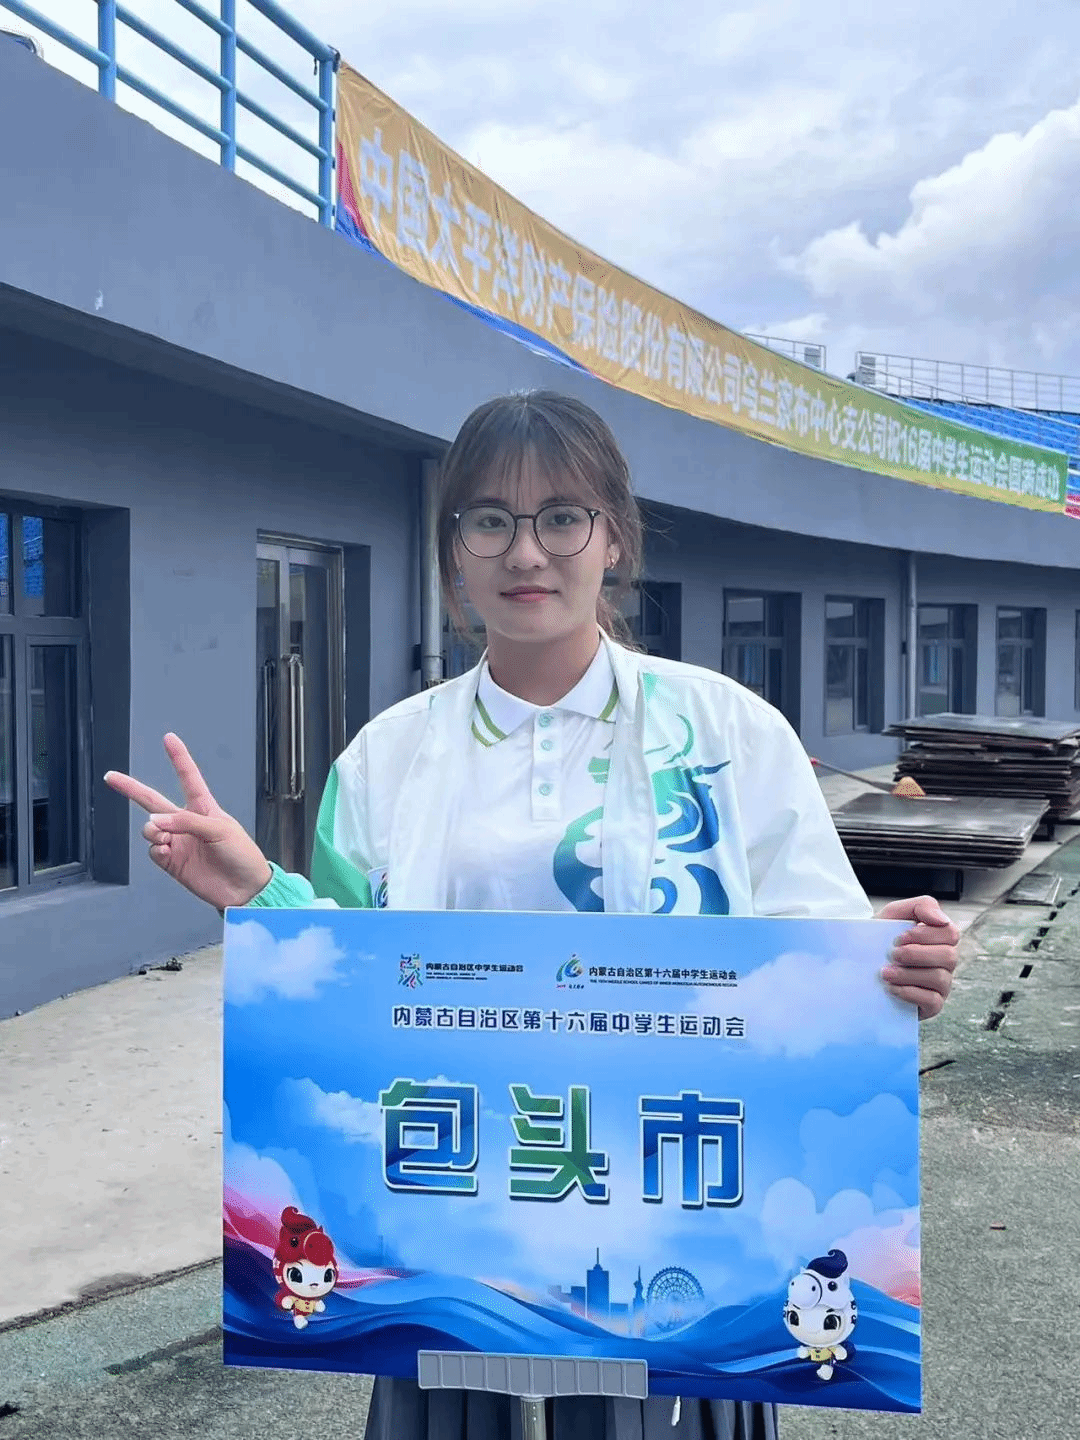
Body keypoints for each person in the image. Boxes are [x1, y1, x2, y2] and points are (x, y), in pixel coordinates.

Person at [106, 390, 959, 1440]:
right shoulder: (385, 758)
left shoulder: (730, 732)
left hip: (684, 1231)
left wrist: (889, 972)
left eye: (562, 516)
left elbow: (814, 955)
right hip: (452, 1238)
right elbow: (350, 984)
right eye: (489, 520)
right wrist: (255, 892)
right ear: (451, 553)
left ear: (614, 537)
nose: (526, 551)